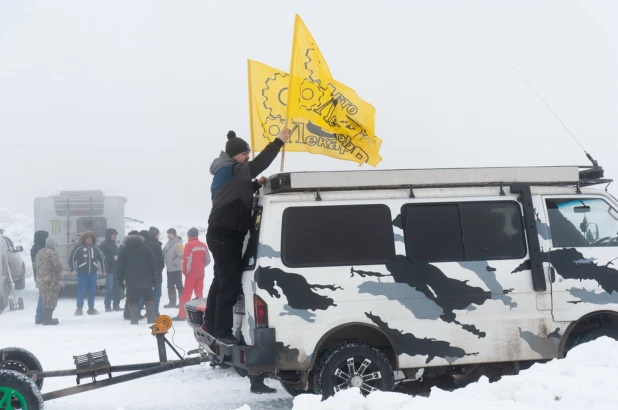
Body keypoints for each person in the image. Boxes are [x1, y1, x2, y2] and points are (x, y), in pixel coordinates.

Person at [203, 128, 290, 394]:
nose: (247, 156)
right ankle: (222, 330)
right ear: (235, 155)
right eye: (244, 153)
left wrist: (253, 186)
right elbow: (259, 164)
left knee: (222, 278)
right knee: (228, 280)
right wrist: (279, 142)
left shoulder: (228, 172)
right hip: (224, 233)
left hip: (222, 232)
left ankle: (211, 323)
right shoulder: (232, 168)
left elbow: (232, 193)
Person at [117, 231, 157, 324]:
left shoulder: (124, 251)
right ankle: (150, 319)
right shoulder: (146, 249)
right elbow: (153, 264)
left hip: (131, 282)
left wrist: (120, 281)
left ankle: (134, 320)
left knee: (132, 301)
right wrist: (154, 277)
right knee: (149, 299)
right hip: (146, 281)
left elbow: (120, 268)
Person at [172, 227, 209, 321]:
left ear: (189, 235)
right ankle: (201, 314)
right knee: (199, 294)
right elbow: (208, 260)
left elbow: (187, 260)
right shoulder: (203, 245)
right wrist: (201, 266)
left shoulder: (189, 245)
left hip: (191, 274)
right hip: (201, 273)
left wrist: (185, 271)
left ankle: (182, 315)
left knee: (186, 295)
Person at [69, 231, 106, 316]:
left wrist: (104, 270)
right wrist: (73, 270)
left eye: (91, 238)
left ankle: (91, 308)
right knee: (81, 291)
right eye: (87, 238)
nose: (89, 240)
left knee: (92, 291)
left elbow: (102, 259)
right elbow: (72, 258)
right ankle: (79, 309)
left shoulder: (96, 248)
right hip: (82, 274)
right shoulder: (78, 248)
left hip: (92, 274)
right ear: (84, 239)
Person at [35, 237, 63, 326]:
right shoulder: (52, 253)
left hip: (40, 280)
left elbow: (35, 265)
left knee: (44, 299)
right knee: (51, 299)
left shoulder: (39, 252)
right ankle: (48, 319)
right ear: (53, 244)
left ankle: (44, 318)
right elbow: (57, 267)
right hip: (50, 281)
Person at [141, 229, 165, 317]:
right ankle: (155, 312)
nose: (159, 236)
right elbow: (160, 259)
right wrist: (161, 268)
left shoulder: (144, 244)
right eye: (158, 234)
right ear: (155, 235)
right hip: (157, 272)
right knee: (157, 293)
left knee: (146, 293)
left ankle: (142, 310)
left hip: (146, 273)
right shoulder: (156, 244)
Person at [100, 228, 121, 312]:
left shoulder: (114, 244)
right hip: (108, 269)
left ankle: (116, 305)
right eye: (113, 235)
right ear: (109, 235)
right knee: (109, 288)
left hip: (116, 268)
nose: (114, 236)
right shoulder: (103, 244)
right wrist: (113, 257)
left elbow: (117, 253)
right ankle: (107, 305)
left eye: (115, 235)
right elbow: (102, 257)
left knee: (117, 288)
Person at [30, 230, 49, 324]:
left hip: (38, 275)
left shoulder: (34, 247)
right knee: (43, 296)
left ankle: (40, 315)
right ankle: (40, 316)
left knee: (42, 295)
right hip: (43, 276)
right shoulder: (40, 249)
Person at [163, 228, 184, 308]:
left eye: (170, 234)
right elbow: (164, 252)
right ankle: (172, 302)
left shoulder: (178, 243)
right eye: (168, 234)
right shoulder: (168, 243)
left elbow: (182, 255)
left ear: (174, 234)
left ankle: (181, 302)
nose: (168, 235)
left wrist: (174, 263)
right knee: (170, 285)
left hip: (176, 269)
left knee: (179, 285)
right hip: (169, 268)